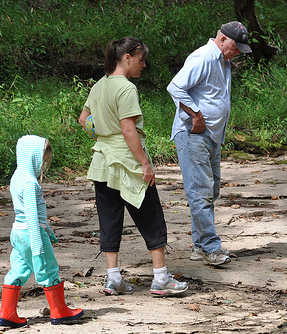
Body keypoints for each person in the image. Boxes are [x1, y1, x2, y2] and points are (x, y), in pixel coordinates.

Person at [78, 37, 188, 297]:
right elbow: (129, 131)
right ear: (127, 58)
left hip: (102, 162)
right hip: (127, 164)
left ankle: (113, 278)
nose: (144, 65)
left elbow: (83, 119)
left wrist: (103, 134)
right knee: (151, 217)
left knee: (109, 219)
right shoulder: (125, 88)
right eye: (141, 60)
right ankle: (161, 278)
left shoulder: (99, 85)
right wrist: (145, 164)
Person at [167, 21, 252, 266]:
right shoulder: (203, 57)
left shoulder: (223, 61)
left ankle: (199, 245)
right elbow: (175, 87)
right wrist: (196, 114)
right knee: (201, 191)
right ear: (223, 39)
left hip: (212, 136)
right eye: (235, 47)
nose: (237, 53)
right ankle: (209, 247)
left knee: (209, 191)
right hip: (194, 134)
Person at [0, 135, 84, 327]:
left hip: (18, 234)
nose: (43, 163)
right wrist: (38, 247)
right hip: (31, 234)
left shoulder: (17, 177)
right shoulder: (29, 183)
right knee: (48, 269)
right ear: (32, 156)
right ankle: (60, 311)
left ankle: (6, 313)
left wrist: (48, 230)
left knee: (18, 270)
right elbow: (31, 216)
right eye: (41, 158)